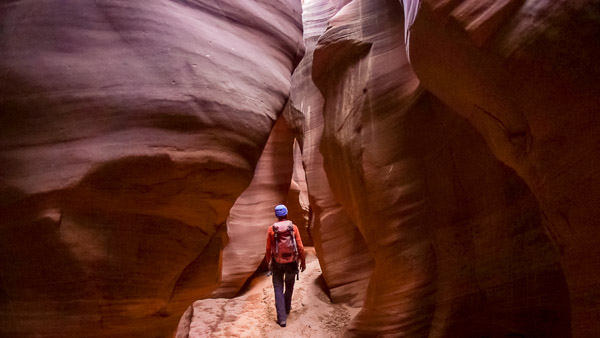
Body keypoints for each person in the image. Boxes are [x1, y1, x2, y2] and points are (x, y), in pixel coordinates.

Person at [265, 204, 306, 327]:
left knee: (278, 288)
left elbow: (268, 249)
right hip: (291, 262)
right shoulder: (293, 228)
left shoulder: (271, 229)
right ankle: (287, 308)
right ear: (286, 214)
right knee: (289, 286)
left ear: (276, 216)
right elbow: (300, 247)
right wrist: (302, 262)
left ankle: (282, 318)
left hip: (277, 263)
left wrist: (269, 263)